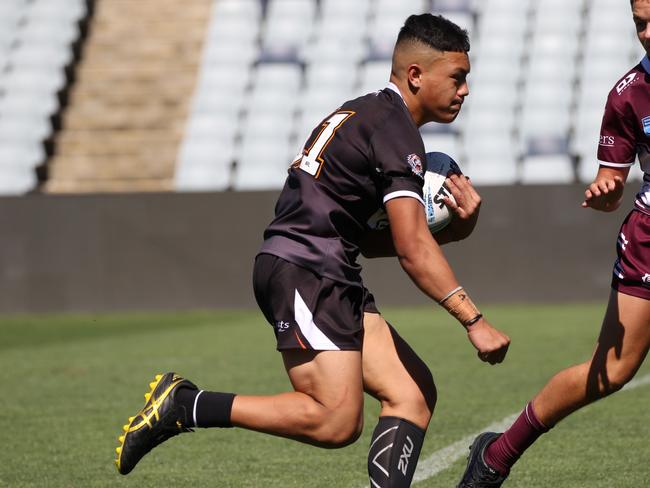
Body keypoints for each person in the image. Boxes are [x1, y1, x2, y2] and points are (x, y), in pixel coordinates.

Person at [114, 14, 511, 487]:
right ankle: (186, 405)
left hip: (323, 265)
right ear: (415, 75)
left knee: (412, 393)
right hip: (306, 268)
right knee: (336, 421)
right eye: (458, 77)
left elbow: (368, 238)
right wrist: (474, 320)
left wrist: (452, 232)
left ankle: (186, 404)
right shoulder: (395, 131)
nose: (465, 90)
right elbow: (410, 248)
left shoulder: (368, 114)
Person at [456, 1, 650, 486]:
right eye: (638, 23)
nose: (646, 33)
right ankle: (496, 455)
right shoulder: (628, 95)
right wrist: (606, 193)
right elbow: (611, 184)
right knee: (611, 371)